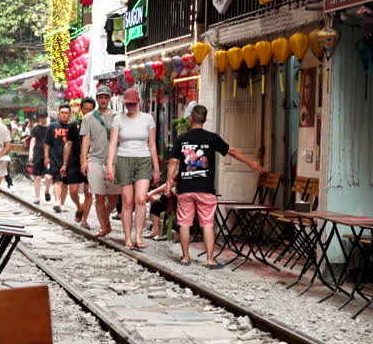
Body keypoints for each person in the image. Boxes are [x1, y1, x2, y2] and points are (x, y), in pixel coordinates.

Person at [166, 104, 264, 267]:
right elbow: (231, 151)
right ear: (205, 120)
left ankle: (185, 257)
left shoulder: (182, 138)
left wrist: (169, 183)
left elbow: (173, 162)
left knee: (184, 222)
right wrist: (252, 163)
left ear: (191, 118)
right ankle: (210, 259)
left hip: (186, 188)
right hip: (206, 189)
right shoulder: (211, 137)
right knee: (207, 223)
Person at [106, 88, 160, 251]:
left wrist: (156, 168)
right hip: (124, 160)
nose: (130, 106)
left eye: (133, 104)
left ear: (138, 103)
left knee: (141, 199)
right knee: (128, 202)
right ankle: (128, 237)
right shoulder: (118, 119)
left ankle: (138, 236)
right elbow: (113, 144)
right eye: (127, 104)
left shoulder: (148, 119)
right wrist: (110, 166)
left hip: (143, 160)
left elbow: (152, 144)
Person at [81, 85, 120, 238]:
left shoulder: (118, 117)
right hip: (95, 159)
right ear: (97, 99)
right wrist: (84, 161)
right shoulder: (88, 117)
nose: (103, 100)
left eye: (106, 97)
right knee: (99, 195)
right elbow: (85, 140)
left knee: (114, 197)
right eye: (101, 97)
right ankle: (104, 227)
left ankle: (104, 218)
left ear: (109, 99)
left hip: (114, 160)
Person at [64, 97, 96, 228]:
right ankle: (79, 206)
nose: (88, 112)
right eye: (86, 109)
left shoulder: (96, 125)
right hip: (75, 161)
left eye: (90, 109)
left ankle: (85, 220)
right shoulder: (73, 125)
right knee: (72, 190)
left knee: (89, 192)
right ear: (81, 109)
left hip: (91, 160)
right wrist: (64, 164)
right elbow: (68, 144)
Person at [45, 105, 77, 213]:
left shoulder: (73, 127)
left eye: (66, 112)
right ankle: (57, 202)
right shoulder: (52, 126)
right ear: (59, 113)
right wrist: (46, 157)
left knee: (65, 183)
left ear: (70, 114)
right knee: (57, 180)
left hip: (69, 160)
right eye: (62, 112)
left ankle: (62, 204)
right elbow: (47, 143)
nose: (64, 114)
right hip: (55, 157)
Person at [30, 115, 50, 204]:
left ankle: (47, 191)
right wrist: (31, 153)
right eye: (41, 118)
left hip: (49, 155)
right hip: (38, 154)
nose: (43, 120)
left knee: (48, 176)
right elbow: (33, 141)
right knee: (37, 177)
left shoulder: (51, 127)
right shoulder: (35, 129)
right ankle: (37, 198)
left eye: (44, 117)